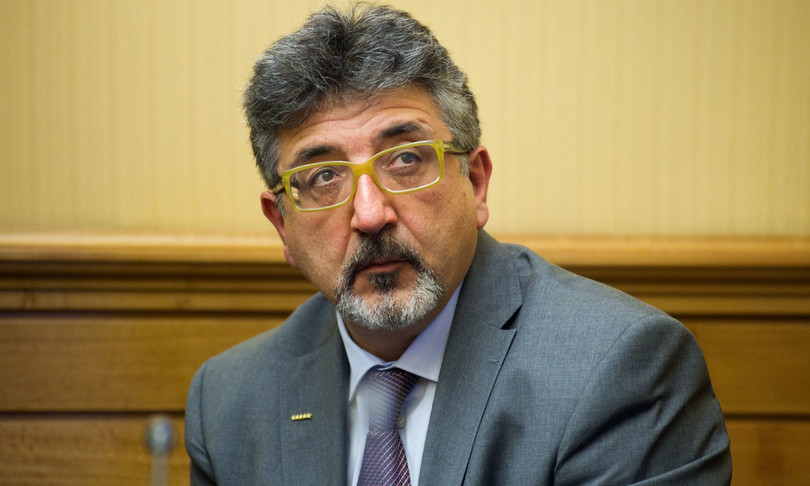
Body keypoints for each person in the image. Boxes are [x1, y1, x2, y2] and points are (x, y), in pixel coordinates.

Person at [184, 4, 732, 485]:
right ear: (282, 225)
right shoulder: (229, 402)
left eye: (405, 159)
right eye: (324, 177)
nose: (371, 215)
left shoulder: (617, 368)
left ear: (476, 183)